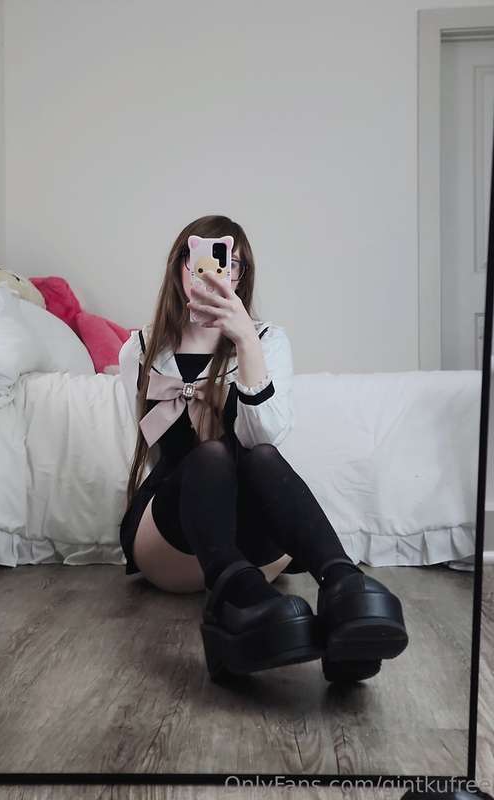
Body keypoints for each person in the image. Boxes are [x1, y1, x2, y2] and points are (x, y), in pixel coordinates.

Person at [118, 214, 408, 682]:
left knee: (263, 456)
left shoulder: (268, 340)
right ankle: (233, 596)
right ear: (180, 267)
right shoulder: (139, 347)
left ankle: (344, 590)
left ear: (241, 274)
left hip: (254, 546)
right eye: (201, 259)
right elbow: (152, 448)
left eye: (229, 263)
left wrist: (245, 340)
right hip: (171, 538)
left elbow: (264, 439)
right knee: (210, 456)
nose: (215, 272)